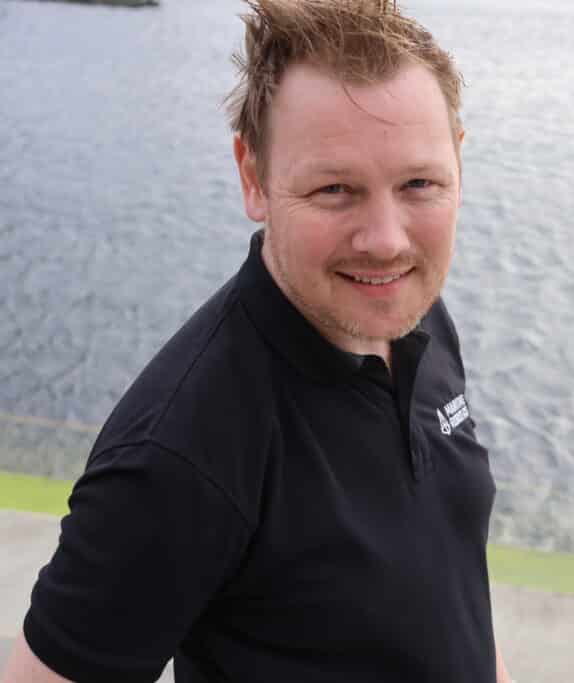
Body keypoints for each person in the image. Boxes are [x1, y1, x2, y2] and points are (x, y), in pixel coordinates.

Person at [0, 0, 513, 681]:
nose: (388, 241)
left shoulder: (416, 316)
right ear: (253, 177)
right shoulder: (180, 451)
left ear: (459, 159)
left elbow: (451, 588)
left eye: (419, 183)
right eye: (335, 189)